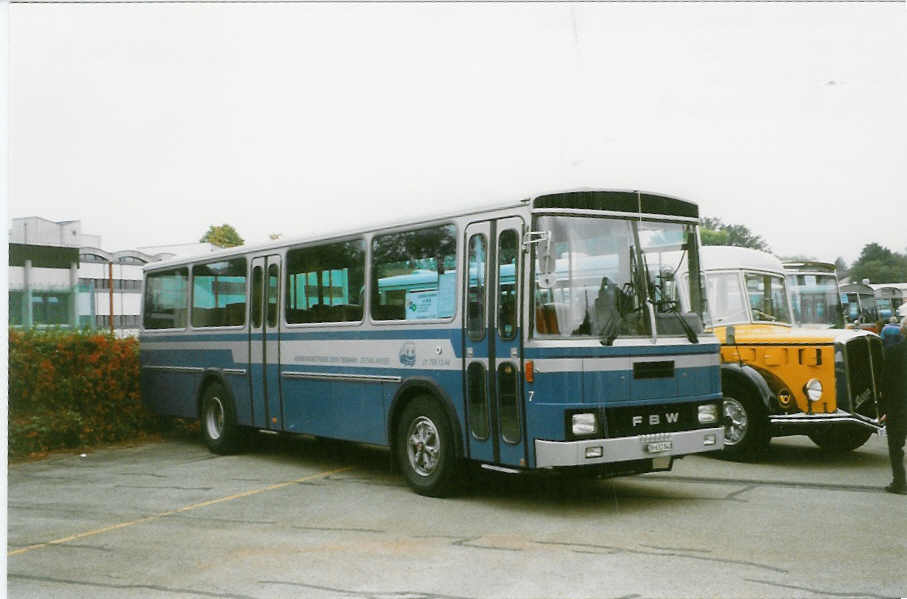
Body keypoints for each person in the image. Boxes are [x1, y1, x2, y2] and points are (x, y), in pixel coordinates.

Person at [881, 317, 907, 495]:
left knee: (895, 447)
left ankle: (899, 482)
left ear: (902, 330)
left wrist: (884, 410)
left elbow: (885, 384)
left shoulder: (893, 352)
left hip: (898, 408)